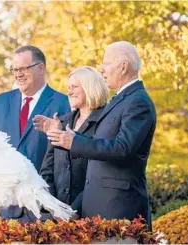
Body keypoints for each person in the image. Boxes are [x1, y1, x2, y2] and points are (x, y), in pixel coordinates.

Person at [46, 41, 156, 231]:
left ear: (123, 67)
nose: (102, 69)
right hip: (97, 206)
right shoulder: (121, 100)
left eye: (106, 63)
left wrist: (75, 142)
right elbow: (100, 146)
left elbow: (122, 149)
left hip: (118, 207)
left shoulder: (138, 102)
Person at [0, 45, 71, 221]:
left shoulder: (63, 103)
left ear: (41, 68)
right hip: (4, 210)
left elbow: (69, 159)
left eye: (23, 68)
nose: (18, 74)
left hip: (44, 209)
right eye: (14, 69)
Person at [34, 66, 109, 218]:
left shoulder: (106, 122)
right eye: (68, 87)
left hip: (91, 214)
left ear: (90, 87)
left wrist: (72, 211)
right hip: (55, 215)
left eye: (74, 87)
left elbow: (98, 174)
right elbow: (47, 169)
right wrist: (52, 207)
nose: (69, 92)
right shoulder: (61, 122)